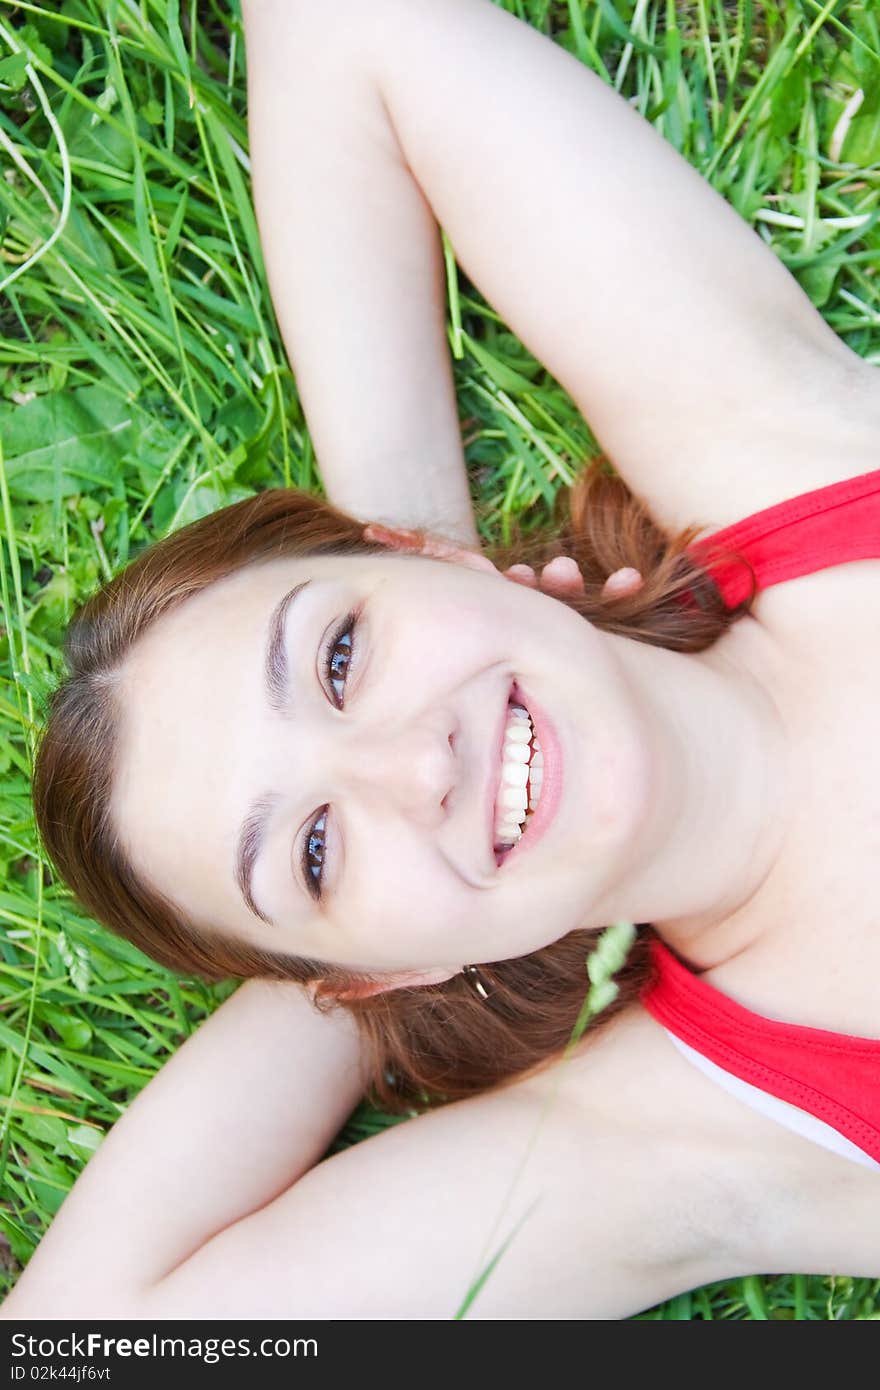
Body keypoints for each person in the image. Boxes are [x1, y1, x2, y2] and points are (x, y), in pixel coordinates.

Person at [4, 0, 880, 1320]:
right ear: (382, 978)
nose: (416, 760)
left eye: (345, 653)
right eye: (312, 850)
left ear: (427, 557)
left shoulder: (785, 457)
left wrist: (419, 543)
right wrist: (366, 961)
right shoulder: (710, 1137)